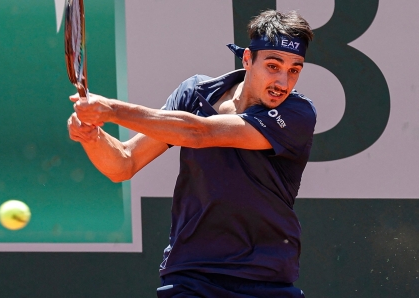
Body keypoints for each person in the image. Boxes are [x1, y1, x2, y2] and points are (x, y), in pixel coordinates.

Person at [68, 9, 315, 298]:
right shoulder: (195, 93)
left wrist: (112, 110)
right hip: (191, 276)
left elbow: (201, 133)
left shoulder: (297, 114)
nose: (283, 83)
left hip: (265, 279)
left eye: (294, 70)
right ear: (248, 59)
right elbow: (123, 162)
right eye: (273, 66)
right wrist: (92, 135)